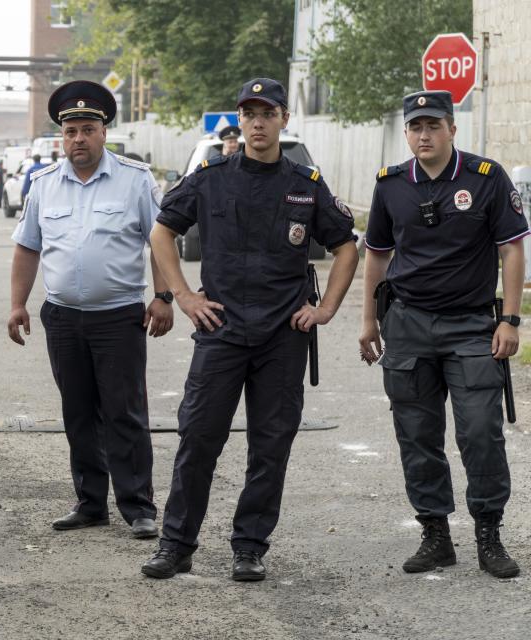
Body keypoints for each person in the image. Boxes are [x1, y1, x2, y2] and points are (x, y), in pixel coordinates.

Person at [142, 78, 358, 582]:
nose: (258, 123)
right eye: (249, 114)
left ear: (284, 119)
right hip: (220, 330)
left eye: (268, 113)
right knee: (198, 438)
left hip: (283, 335)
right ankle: (176, 544)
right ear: (238, 121)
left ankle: (249, 546)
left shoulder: (306, 183)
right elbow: (161, 231)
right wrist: (184, 296)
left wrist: (325, 308)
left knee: (271, 445)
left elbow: (347, 245)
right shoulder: (210, 176)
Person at [359, 90, 529, 579]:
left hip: (472, 324)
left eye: (433, 125)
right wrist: (369, 319)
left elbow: (512, 249)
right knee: (417, 435)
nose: (424, 135)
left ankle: (489, 534)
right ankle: (435, 535)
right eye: (415, 127)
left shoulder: (485, 178)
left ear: (453, 128)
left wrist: (511, 319)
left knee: (480, 431)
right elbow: (377, 253)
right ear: (407, 132)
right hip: (408, 325)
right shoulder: (391, 184)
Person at [8, 80, 173, 540]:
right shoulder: (43, 185)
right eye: (71, 131)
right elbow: (27, 248)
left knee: (124, 413)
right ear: (62, 136)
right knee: (78, 412)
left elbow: (160, 241)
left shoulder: (135, 180)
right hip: (62, 317)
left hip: (119, 318)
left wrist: (163, 297)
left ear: (104, 132)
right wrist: (17, 304)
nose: (78, 138)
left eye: (87, 129)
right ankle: (90, 502)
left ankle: (138, 507)